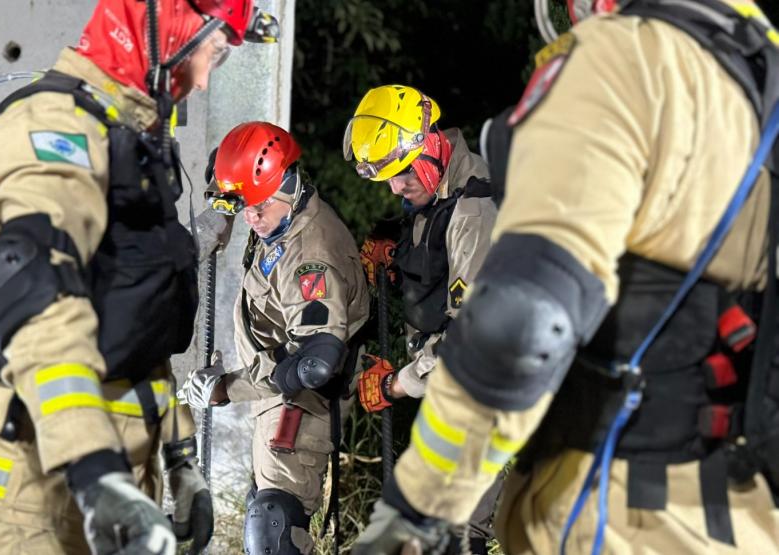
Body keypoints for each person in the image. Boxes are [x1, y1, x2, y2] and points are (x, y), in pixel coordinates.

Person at [353, 1, 779, 554]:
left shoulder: (622, 71)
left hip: (632, 500)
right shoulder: (756, 69)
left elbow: (524, 324)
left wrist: (416, 506)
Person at [0, 1, 276, 553]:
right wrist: (96, 474)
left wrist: (181, 461)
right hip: (37, 497)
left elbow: (139, 331)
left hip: (118, 489)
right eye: (210, 55)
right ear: (164, 24)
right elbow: (38, 311)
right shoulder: (53, 131)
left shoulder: (129, 145)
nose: (199, 83)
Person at [182, 121, 370, 554]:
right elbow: (229, 179)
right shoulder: (280, 216)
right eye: (244, 205)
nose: (251, 217)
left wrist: (226, 387)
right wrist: (221, 213)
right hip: (275, 393)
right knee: (265, 514)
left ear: (288, 182)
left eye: (258, 206)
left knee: (274, 529)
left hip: (300, 401)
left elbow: (315, 362)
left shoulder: (311, 258)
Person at [343, 84, 498, 553]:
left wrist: (398, 384)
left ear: (429, 146)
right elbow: (433, 234)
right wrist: (399, 247)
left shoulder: (476, 208)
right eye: (387, 178)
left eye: (401, 174)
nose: (396, 188)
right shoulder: (436, 184)